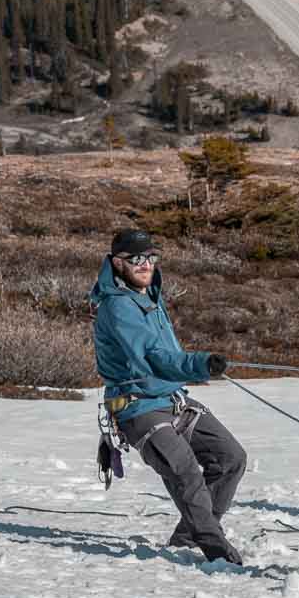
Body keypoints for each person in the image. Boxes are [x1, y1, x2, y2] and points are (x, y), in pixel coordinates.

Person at [90, 229, 248, 565]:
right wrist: (200, 364)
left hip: (173, 400)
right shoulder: (118, 307)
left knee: (230, 458)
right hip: (138, 407)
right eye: (136, 258)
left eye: (151, 257)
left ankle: (188, 538)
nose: (145, 264)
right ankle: (218, 553)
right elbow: (151, 357)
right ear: (118, 262)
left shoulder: (148, 295)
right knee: (185, 472)